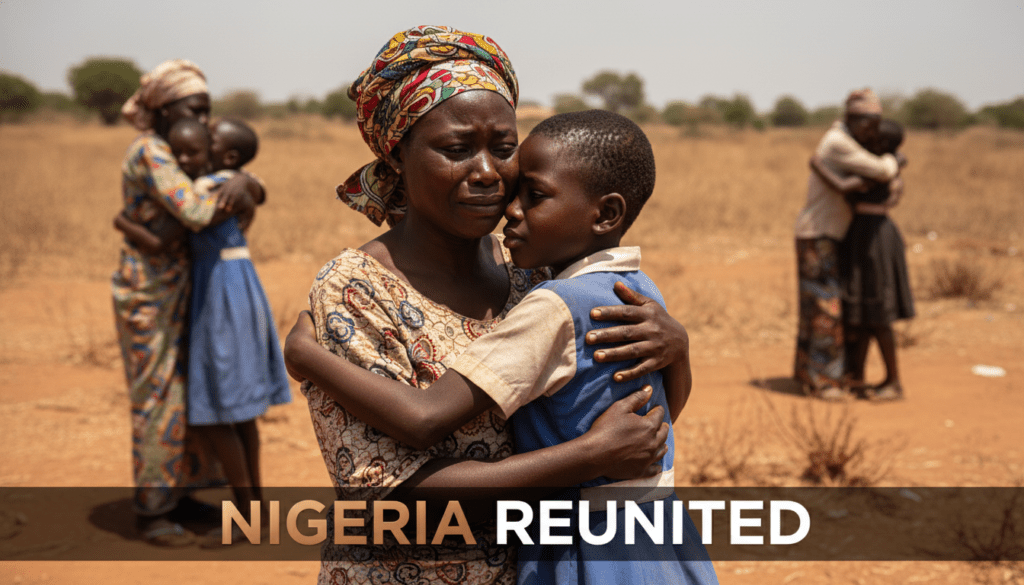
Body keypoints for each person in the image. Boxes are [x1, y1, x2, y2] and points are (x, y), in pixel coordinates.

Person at [285, 25, 691, 585]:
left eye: (503, 149)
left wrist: (674, 350)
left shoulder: (537, 271)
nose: (487, 173)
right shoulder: (355, 291)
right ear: (397, 154)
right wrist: (587, 458)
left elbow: (632, 424)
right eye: (456, 150)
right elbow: (390, 499)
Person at [112, 59, 264, 546]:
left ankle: (180, 494)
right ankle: (153, 511)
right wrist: (241, 185)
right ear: (163, 109)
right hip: (150, 293)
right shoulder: (153, 151)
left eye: (205, 110)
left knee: (190, 394)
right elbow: (197, 210)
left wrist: (247, 183)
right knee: (159, 397)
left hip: (190, 289)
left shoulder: (179, 152)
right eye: (193, 110)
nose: (203, 120)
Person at [792, 88, 903, 401]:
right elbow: (882, 170)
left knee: (817, 306)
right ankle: (824, 382)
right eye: (869, 123)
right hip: (820, 232)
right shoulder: (838, 142)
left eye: (877, 124)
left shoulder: (842, 139)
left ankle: (811, 374)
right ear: (853, 119)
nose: (872, 130)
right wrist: (895, 159)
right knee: (825, 307)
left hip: (825, 232)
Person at [810, 119, 913, 401]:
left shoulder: (878, 172)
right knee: (860, 313)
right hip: (861, 236)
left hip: (875, 240)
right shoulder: (882, 166)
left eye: (869, 136)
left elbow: (842, 187)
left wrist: (817, 165)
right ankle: (856, 376)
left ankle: (893, 381)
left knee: (878, 314)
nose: (861, 139)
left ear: (880, 143)